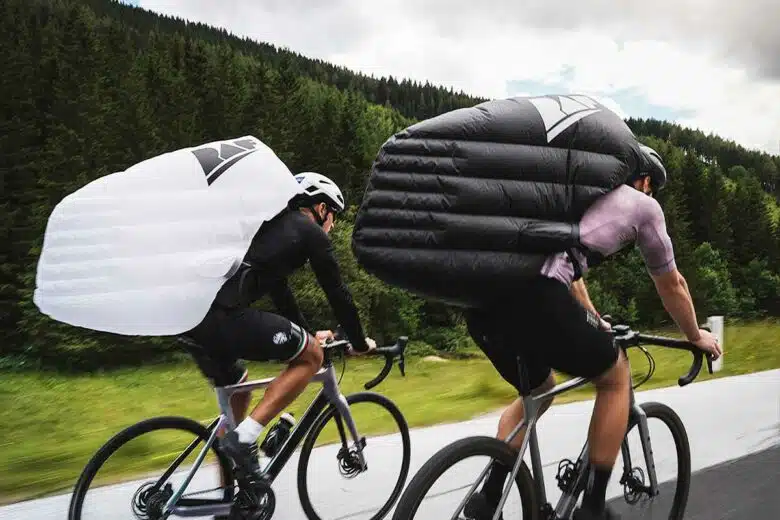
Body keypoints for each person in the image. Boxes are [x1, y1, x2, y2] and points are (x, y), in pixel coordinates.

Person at [461, 145, 723, 520]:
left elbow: (569, 270)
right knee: (615, 376)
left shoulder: (573, 195)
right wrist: (695, 335)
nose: (649, 195)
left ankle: (487, 499)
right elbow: (673, 285)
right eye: (651, 188)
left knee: (539, 390)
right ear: (645, 180)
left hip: (483, 303)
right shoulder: (643, 205)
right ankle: (593, 509)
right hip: (537, 297)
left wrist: (594, 320)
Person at [181, 171, 376, 482]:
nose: (333, 225)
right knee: (311, 359)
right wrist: (359, 341)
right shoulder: (307, 231)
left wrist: (307, 336)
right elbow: (337, 292)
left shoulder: (270, 232)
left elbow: (282, 295)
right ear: (321, 208)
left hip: (190, 318)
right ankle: (245, 440)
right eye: (333, 216)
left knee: (238, 391)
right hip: (221, 316)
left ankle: (232, 498)